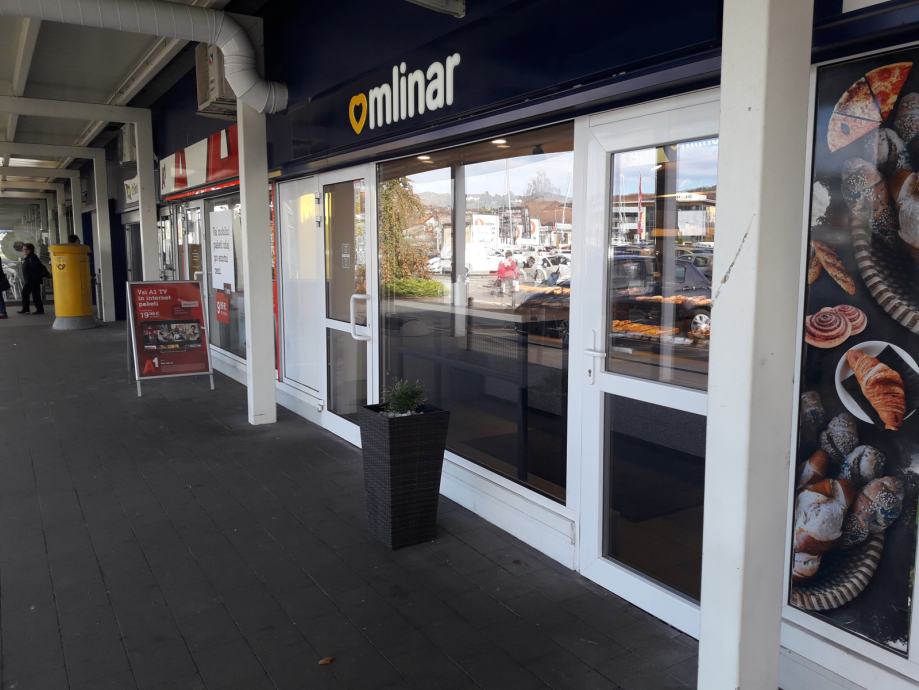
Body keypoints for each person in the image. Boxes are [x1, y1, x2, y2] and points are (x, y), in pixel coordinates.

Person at [18, 243, 50, 315]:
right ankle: (27, 309)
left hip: (33, 280)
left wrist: (33, 278)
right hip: (30, 280)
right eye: (23, 249)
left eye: (25, 249)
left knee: (33, 295)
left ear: (30, 250)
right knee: (28, 294)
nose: (23, 251)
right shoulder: (29, 257)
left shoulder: (32, 257)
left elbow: (35, 269)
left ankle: (38, 310)